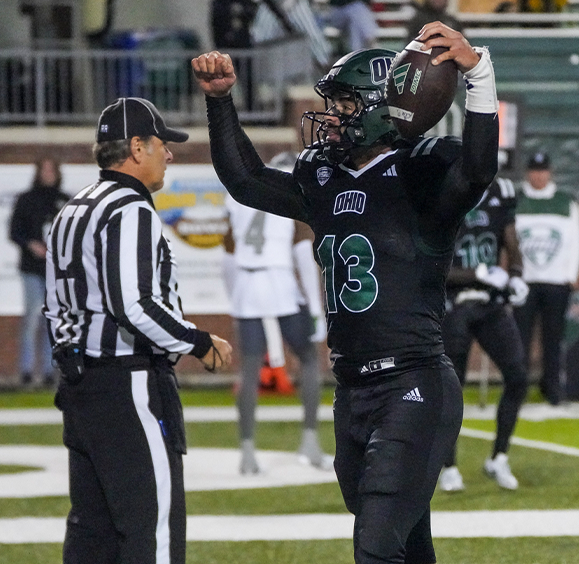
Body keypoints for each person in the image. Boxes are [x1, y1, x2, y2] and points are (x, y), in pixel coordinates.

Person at [193, 20, 497, 563]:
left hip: (413, 381)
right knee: (406, 542)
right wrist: (220, 103)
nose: (330, 117)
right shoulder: (321, 175)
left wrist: (479, 76)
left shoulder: (422, 171)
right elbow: (246, 181)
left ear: (385, 107)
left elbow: (477, 170)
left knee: (376, 546)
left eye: (345, 105)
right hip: (352, 389)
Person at [44, 97, 233, 564]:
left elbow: (55, 306)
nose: (169, 153)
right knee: (152, 530)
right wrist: (199, 342)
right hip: (127, 384)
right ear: (135, 147)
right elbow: (133, 304)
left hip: (79, 386)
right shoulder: (130, 209)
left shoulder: (74, 207)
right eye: (161, 143)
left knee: (92, 532)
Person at [223, 151, 332, 475]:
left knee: (249, 370)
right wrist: (316, 308)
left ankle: (247, 453)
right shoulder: (291, 191)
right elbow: (302, 253)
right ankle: (310, 441)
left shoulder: (241, 194)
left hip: (246, 282)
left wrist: (235, 296)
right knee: (309, 358)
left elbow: (227, 255)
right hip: (280, 282)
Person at [438, 176, 530, 492]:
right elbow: (432, 261)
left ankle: (499, 457)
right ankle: (447, 464)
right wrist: (475, 273)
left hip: (489, 304)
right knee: (453, 387)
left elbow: (511, 242)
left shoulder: (501, 190)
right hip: (455, 303)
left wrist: (516, 276)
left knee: (518, 376)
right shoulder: (442, 188)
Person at [513, 152, 579, 406]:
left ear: (549, 173)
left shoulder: (565, 202)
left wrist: (570, 276)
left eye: (543, 171)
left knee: (553, 339)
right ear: (528, 173)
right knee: (520, 339)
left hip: (556, 281)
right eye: (534, 171)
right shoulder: (517, 202)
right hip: (525, 282)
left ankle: (553, 388)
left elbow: (575, 242)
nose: (538, 176)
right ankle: (517, 388)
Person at [8, 158, 68, 388]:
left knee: (52, 321)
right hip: (32, 269)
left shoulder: (65, 201)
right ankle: (26, 371)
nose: (48, 174)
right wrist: (31, 245)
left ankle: (50, 372)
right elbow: (14, 232)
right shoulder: (26, 200)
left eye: (51, 169)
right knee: (32, 319)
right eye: (44, 170)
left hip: (56, 270)